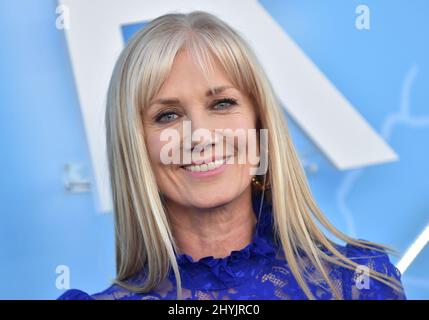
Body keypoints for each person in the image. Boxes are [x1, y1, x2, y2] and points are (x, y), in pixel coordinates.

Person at [58, 11, 406, 300]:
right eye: (167, 115)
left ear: (260, 125)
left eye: (222, 104)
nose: (201, 135)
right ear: (134, 148)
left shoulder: (359, 284)